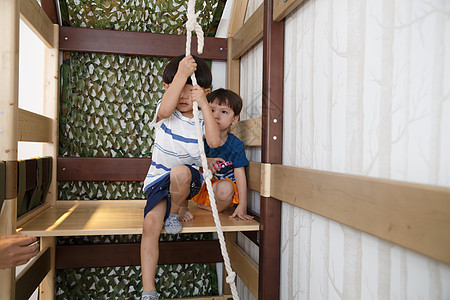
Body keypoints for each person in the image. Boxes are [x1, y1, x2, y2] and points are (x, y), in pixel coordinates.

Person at [140, 54, 220, 300]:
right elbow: (166, 106)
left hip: (188, 179)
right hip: (158, 181)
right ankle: (149, 290)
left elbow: (215, 141)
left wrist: (205, 105)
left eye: (191, 90)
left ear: (203, 91)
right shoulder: (164, 111)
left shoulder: (201, 118)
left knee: (180, 171)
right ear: (168, 87)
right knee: (151, 224)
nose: (184, 96)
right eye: (179, 88)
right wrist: (182, 74)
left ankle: (176, 210)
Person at [192, 88, 254, 221]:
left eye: (224, 112)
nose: (216, 116)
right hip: (202, 188)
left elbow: (240, 175)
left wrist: (243, 204)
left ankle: (214, 208)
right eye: (212, 110)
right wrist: (206, 160)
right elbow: (189, 159)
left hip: (221, 193)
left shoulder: (235, 145)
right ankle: (199, 205)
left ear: (234, 119)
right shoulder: (199, 138)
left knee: (225, 188)